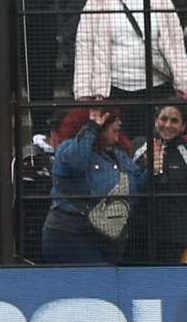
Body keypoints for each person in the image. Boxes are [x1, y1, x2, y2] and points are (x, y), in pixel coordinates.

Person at [72, 0, 187, 140]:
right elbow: (84, 47)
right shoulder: (97, 1)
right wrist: (84, 90)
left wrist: (181, 82)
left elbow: (176, 42)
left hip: (156, 88)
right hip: (114, 90)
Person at [42, 107, 153, 263]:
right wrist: (91, 129)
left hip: (109, 238)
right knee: (91, 284)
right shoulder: (67, 149)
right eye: (113, 120)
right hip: (71, 235)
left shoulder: (119, 156)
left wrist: (152, 170)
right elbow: (76, 162)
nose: (119, 124)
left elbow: (135, 191)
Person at [130, 104, 187, 262]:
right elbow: (129, 186)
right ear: (156, 120)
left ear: (183, 126)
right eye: (163, 119)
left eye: (174, 121)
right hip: (138, 234)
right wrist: (151, 170)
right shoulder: (139, 145)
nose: (167, 125)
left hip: (173, 235)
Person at [19, 108, 69, 263]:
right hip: (36, 234)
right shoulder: (31, 157)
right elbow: (24, 197)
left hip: (70, 233)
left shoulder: (74, 156)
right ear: (54, 133)